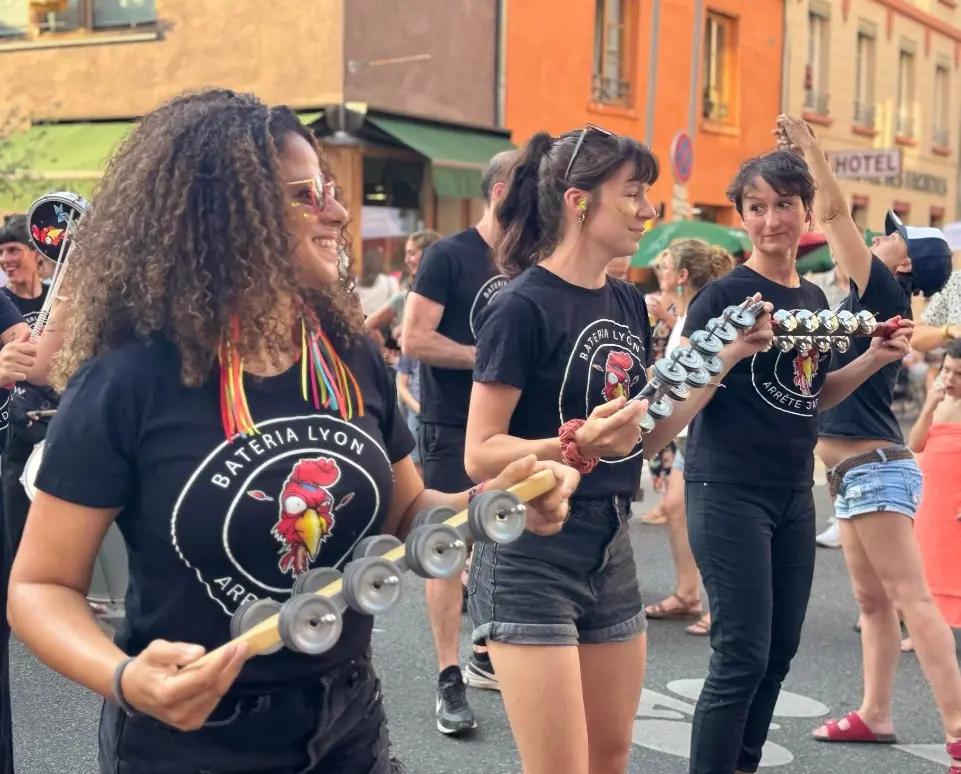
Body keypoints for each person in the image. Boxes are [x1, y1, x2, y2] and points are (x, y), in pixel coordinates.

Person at [4, 88, 579, 774]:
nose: (336, 210)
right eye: (305, 194)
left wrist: (494, 499)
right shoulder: (128, 382)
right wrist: (127, 678)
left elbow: (405, 512)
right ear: (223, 218)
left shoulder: (345, 352)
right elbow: (39, 587)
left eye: (329, 188)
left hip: (346, 721)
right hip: (191, 744)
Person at [463, 126, 774, 774]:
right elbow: (479, 452)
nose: (648, 210)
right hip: (529, 554)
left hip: (610, 544)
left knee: (608, 757)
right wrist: (573, 441)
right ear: (579, 201)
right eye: (632, 194)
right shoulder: (520, 306)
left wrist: (722, 360)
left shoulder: (625, 299)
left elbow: (642, 437)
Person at [679, 141, 914, 774]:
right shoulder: (722, 298)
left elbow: (811, 396)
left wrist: (871, 359)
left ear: (806, 212)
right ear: (741, 217)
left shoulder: (813, 300)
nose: (770, 220)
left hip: (791, 492)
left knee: (780, 651)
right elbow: (684, 395)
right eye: (756, 207)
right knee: (741, 656)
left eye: (784, 204)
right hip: (725, 488)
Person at [770, 116, 961, 761]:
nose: (877, 241)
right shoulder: (870, 297)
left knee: (909, 600)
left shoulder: (879, 288)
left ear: (904, 261)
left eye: (890, 239)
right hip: (856, 472)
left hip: (874, 467)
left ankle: (960, 730)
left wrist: (812, 151)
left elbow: (834, 211)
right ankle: (875, 713)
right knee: (873, 602)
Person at [400, 150, 516, 733]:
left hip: (514, 431)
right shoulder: (449, 255)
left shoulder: (534, 261)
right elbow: (414, 338)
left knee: (508, 541)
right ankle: (449, 678)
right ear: (499, 192)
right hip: (450, 424)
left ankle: (487, 651)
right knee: (446, 549)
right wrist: (489, 362)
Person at [642, 238, 735, 638]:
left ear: (681, 275)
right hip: (688, 426)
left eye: (665, 267)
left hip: (711, 426)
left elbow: (688, 368)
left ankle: (725, 607)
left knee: (714, 518)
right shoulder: (689, 309)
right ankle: (687, 594)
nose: (659, 274)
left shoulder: (707, 308)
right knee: (677, 508)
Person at [911, 340, 961, 639]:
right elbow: (916, 443)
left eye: (959, 374)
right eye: (947, 370)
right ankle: (927, 632)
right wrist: (929, 405)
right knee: (925, 560)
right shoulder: (940, 398)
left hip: (956, 497)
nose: (951, 379)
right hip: (932, 494)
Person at [364, 230, 442, 341]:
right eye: (407, 254)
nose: (406, 260)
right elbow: (367, 326)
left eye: (412, 253)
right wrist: (381, 353)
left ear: (429, 255)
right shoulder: (401, 299)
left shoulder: (452, 297)